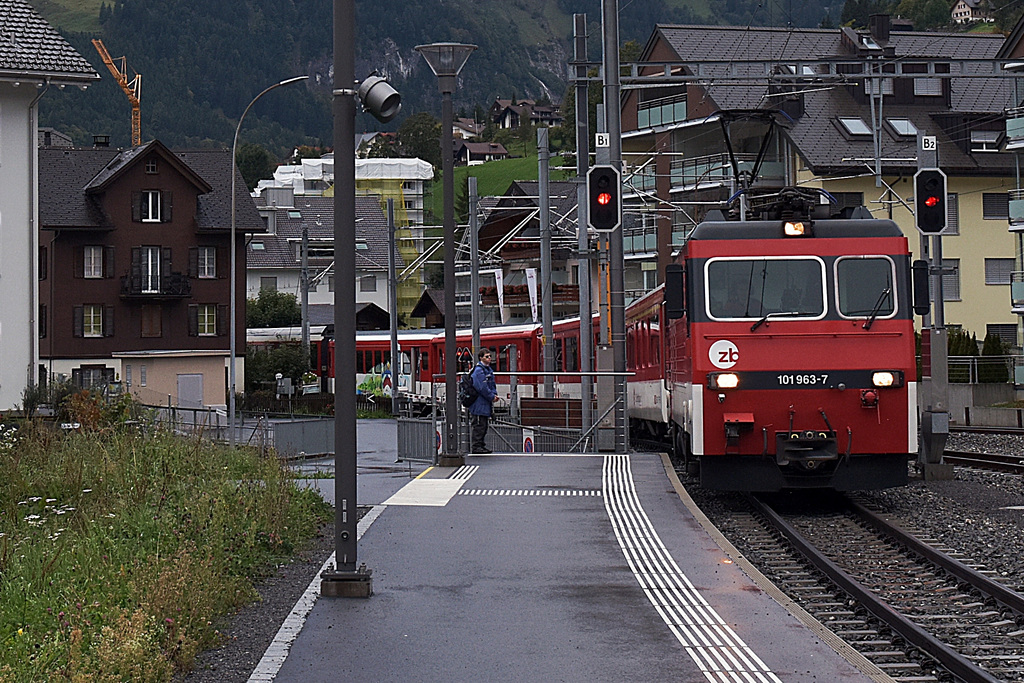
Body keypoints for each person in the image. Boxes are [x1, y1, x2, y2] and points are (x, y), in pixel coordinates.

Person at [468, 348, 497, 454]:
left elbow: (490, 384)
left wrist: (493, 394)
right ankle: (476, 446)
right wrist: (491, 396)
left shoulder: (487, 370)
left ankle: (480, 445)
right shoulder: (479, 371)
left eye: (490, 356)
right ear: (481, 358)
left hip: (484, 403)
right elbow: (481, 387)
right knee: (479, 425)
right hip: (479, 403)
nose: (489, 358)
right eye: (487, 356)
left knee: (483, 425)